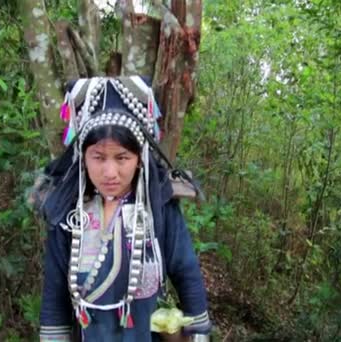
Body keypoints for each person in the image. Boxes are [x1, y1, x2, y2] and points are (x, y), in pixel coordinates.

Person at [32, 76, 211, 341]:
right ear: (83, 157)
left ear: (139, 159)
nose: (110, 172)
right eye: (98, 157)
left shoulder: (159, 207)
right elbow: (55, 293)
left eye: (122, 157)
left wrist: (198, 334)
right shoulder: (68, 213)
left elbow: (186, 272)